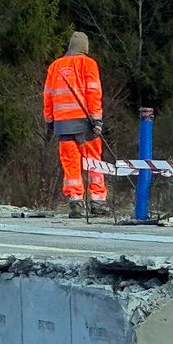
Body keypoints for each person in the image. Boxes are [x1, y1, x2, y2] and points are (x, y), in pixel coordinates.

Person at [43, 31, 109, 218]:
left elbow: (47, 95)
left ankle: (75, 201)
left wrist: (49, 119)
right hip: (85, 124)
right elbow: (93, 93)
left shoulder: (55, 66)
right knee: (94, 162)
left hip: (63, 125)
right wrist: (97, 120)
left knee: (70, 165)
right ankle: (97, 202)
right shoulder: (88, 64)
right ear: (85, 47)